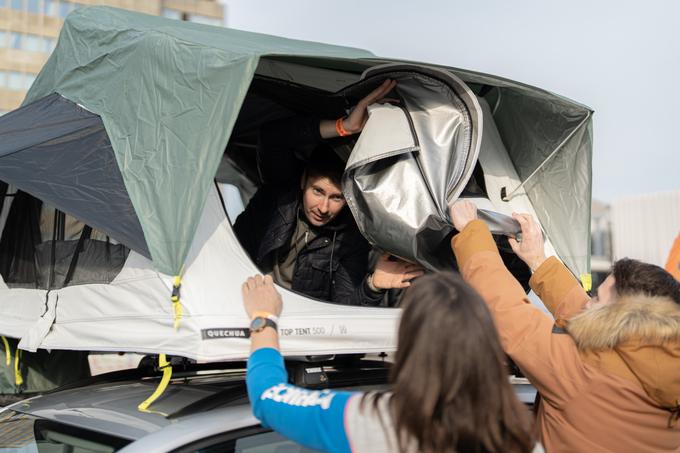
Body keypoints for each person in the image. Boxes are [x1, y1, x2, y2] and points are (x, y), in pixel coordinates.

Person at [448, 200, 680, 452]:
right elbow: (585, 313)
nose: (588, 302)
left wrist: (472, 232)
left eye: (597, 299)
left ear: (619, 319)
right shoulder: (658, 357)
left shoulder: (582, 373)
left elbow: (507, 312)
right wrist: (539, 261)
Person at [243, 273, 538, 453]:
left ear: (410, 344)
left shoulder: (373, 421)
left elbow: (268, 397)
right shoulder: (522, 440)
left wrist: (264, 317)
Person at [234, 80, 423, 306]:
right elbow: (273, 136)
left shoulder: (350, 237)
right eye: (318, 191)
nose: (324, 208)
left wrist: (373, 285)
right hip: (237, 298)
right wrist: (343, 127)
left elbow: (346, 305)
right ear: (303, 180)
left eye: (336, 197)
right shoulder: (279, 194)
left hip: (296, 324)